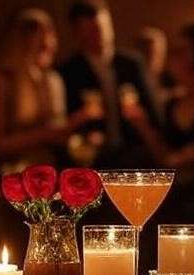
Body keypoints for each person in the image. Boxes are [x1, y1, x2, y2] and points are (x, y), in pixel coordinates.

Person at [0, 8, 99, 167]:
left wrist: (81, 131)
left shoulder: (53, 79)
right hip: (14, 168)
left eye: (50, 45)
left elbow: (59, 133)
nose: (49, 50)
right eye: (40, 47)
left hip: (51, 166)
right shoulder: (3, 79)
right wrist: (46, 134)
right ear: (21, 44)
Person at [59, 0, 163, 168]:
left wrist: (140, 118)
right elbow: (64, 123)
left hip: (134, 153)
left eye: (101, 28)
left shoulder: (132, 63)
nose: (99, 35)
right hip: (91, 159)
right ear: (77, 33)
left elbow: (154, 113)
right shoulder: (68, 71)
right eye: (91, 30)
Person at [123, 24, 194, 172]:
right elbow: (166, 158)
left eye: (181, 51)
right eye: (173, 52)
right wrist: (144, 127)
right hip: (178, 180)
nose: (172, 58)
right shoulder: (172, 101)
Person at [134, 27, 174, 106]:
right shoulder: (128, 80)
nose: (152, 58)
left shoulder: (173, 79)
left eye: (156, 53)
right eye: (147, 53)